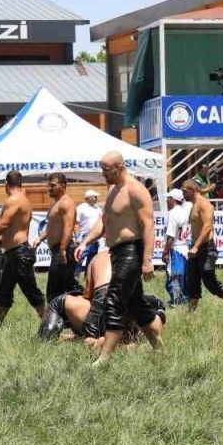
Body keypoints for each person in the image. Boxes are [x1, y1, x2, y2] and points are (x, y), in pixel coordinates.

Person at [75, 151, 163, 365]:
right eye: (102, 169)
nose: (103, 174)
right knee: (136, 306)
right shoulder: (113, 191)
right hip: (116, 253)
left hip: (132, 252)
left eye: (106, 170)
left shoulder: (136, 190)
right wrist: (85, 243)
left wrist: (147, 260)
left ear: (120, 167)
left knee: (113, 301)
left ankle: (104, 359)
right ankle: (160, 349)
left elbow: (148, 225)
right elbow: (104, 223)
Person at [38, 247, 166, 345]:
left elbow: (88, 294)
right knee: (156, 302)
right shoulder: (132, 257)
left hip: (100, 305)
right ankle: (134, 336)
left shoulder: (98, 258)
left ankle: (54, 337)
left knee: (63, 304)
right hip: (127, 309)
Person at [0, 170, 45, 325]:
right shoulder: (23, 200)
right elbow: (10, 228)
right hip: (13, 252)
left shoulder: (13, 200)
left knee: (31, 291)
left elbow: (4, 225)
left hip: (19, 253)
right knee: (4, 291)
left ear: (6, 184)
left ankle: (49, 323)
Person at [184, 181, 223, 314]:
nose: (183, 194)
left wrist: (196, 247)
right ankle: (190, 315)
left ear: (192, 190)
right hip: (195, 247)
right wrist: (208, 189)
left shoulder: (204, 204)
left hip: (206, 248)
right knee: (192, 280)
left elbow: (207, 227)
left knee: (209, 280)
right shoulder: (194, 202)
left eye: (184, 191)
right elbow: (200, 191)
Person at [37, 172, 82, 301]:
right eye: (48, 185)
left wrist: (62, 250)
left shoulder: (66, 203)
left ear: (62, 186)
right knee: (70, 289)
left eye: (52, 185)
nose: (49, 188)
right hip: (59, 249)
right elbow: (52, 227)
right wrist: (40, 238)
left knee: (54, 292)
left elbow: (69, 227)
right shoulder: (56, 203)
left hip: (64, 249)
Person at [160, 189, 190, 306]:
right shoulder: (184, 212)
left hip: (175, 249)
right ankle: (183, 299)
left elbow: (171, 237)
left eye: (168, 198)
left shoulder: (173, 214)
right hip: (184, 248)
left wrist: (165, 252)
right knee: (182, 275)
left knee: (175, 276)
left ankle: (176, 300)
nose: (167, 201)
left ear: (173, 200)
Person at [74, 189, 103, 276]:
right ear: (89, 198)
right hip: (84, 236)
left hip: (95, 238)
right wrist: (77, 237)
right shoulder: (80, 208)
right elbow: (76, 223)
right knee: (80, 258)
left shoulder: (97, 208)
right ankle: (75, 277)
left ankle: (88, 277)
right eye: (95, 196)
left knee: (92, 259)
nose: (96, 198)